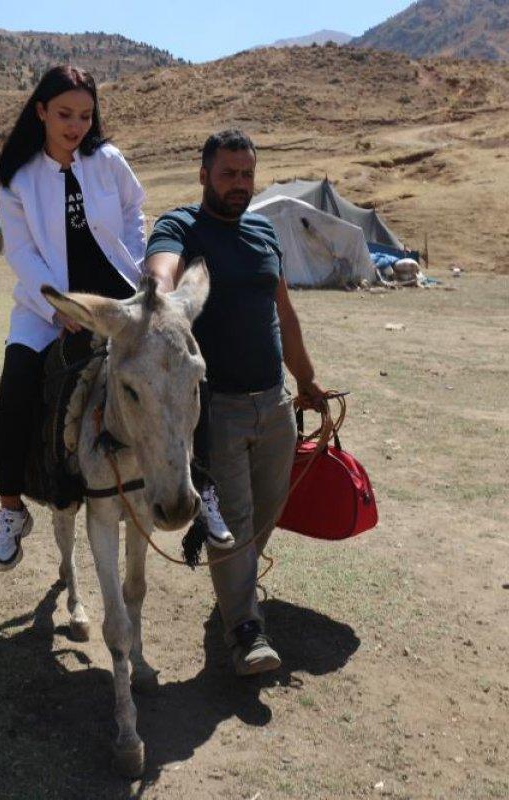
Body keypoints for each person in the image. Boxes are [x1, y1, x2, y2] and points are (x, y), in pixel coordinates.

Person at [0, 65, 232, 572]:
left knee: (185, 368)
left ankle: (202, 487)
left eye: (84, 114)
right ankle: (11, 511)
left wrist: (140, 269)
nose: (75, 125)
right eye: (64, 114)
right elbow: (22, 251)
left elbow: (133, 209)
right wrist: (56, 307)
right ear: (41, 112)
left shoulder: (107, 160)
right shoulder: (17, 178)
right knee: (14, 394)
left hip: (122, 297)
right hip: (48, 304)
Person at [146, 129, 325, 677]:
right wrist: (160, 292)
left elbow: (285, 316)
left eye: (247, 174)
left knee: (269, 507)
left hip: (273, 404)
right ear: (204, 175)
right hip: (214, 409)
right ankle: (245, 631)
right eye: (228, 174)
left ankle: (234, 592)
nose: (239, 185)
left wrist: (308, 382)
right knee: (234, 517)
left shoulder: (264, 233)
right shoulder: (180, 226)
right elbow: (163, 268)